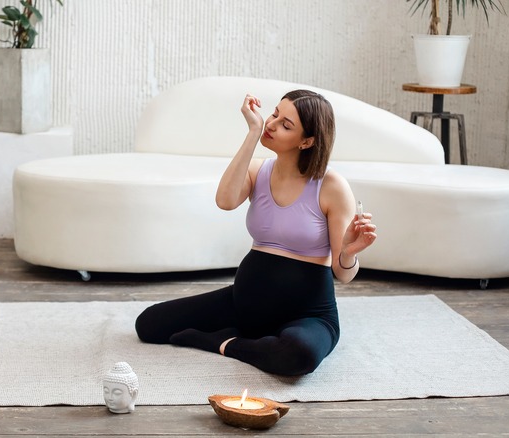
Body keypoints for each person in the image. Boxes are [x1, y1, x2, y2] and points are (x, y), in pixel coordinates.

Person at [134, 90, 377, 377]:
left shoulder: (331, 185)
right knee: (149, 324)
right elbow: (224, 201)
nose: (271, 125)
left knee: (300, 355)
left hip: (307, 316)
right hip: (244, 304)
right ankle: (254, 340)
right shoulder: (258, 171)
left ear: (307, 141)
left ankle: (224, 342)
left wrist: (348, 252)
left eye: (286, 125)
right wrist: (252, 132)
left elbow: (344, 274)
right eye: (275, 114)